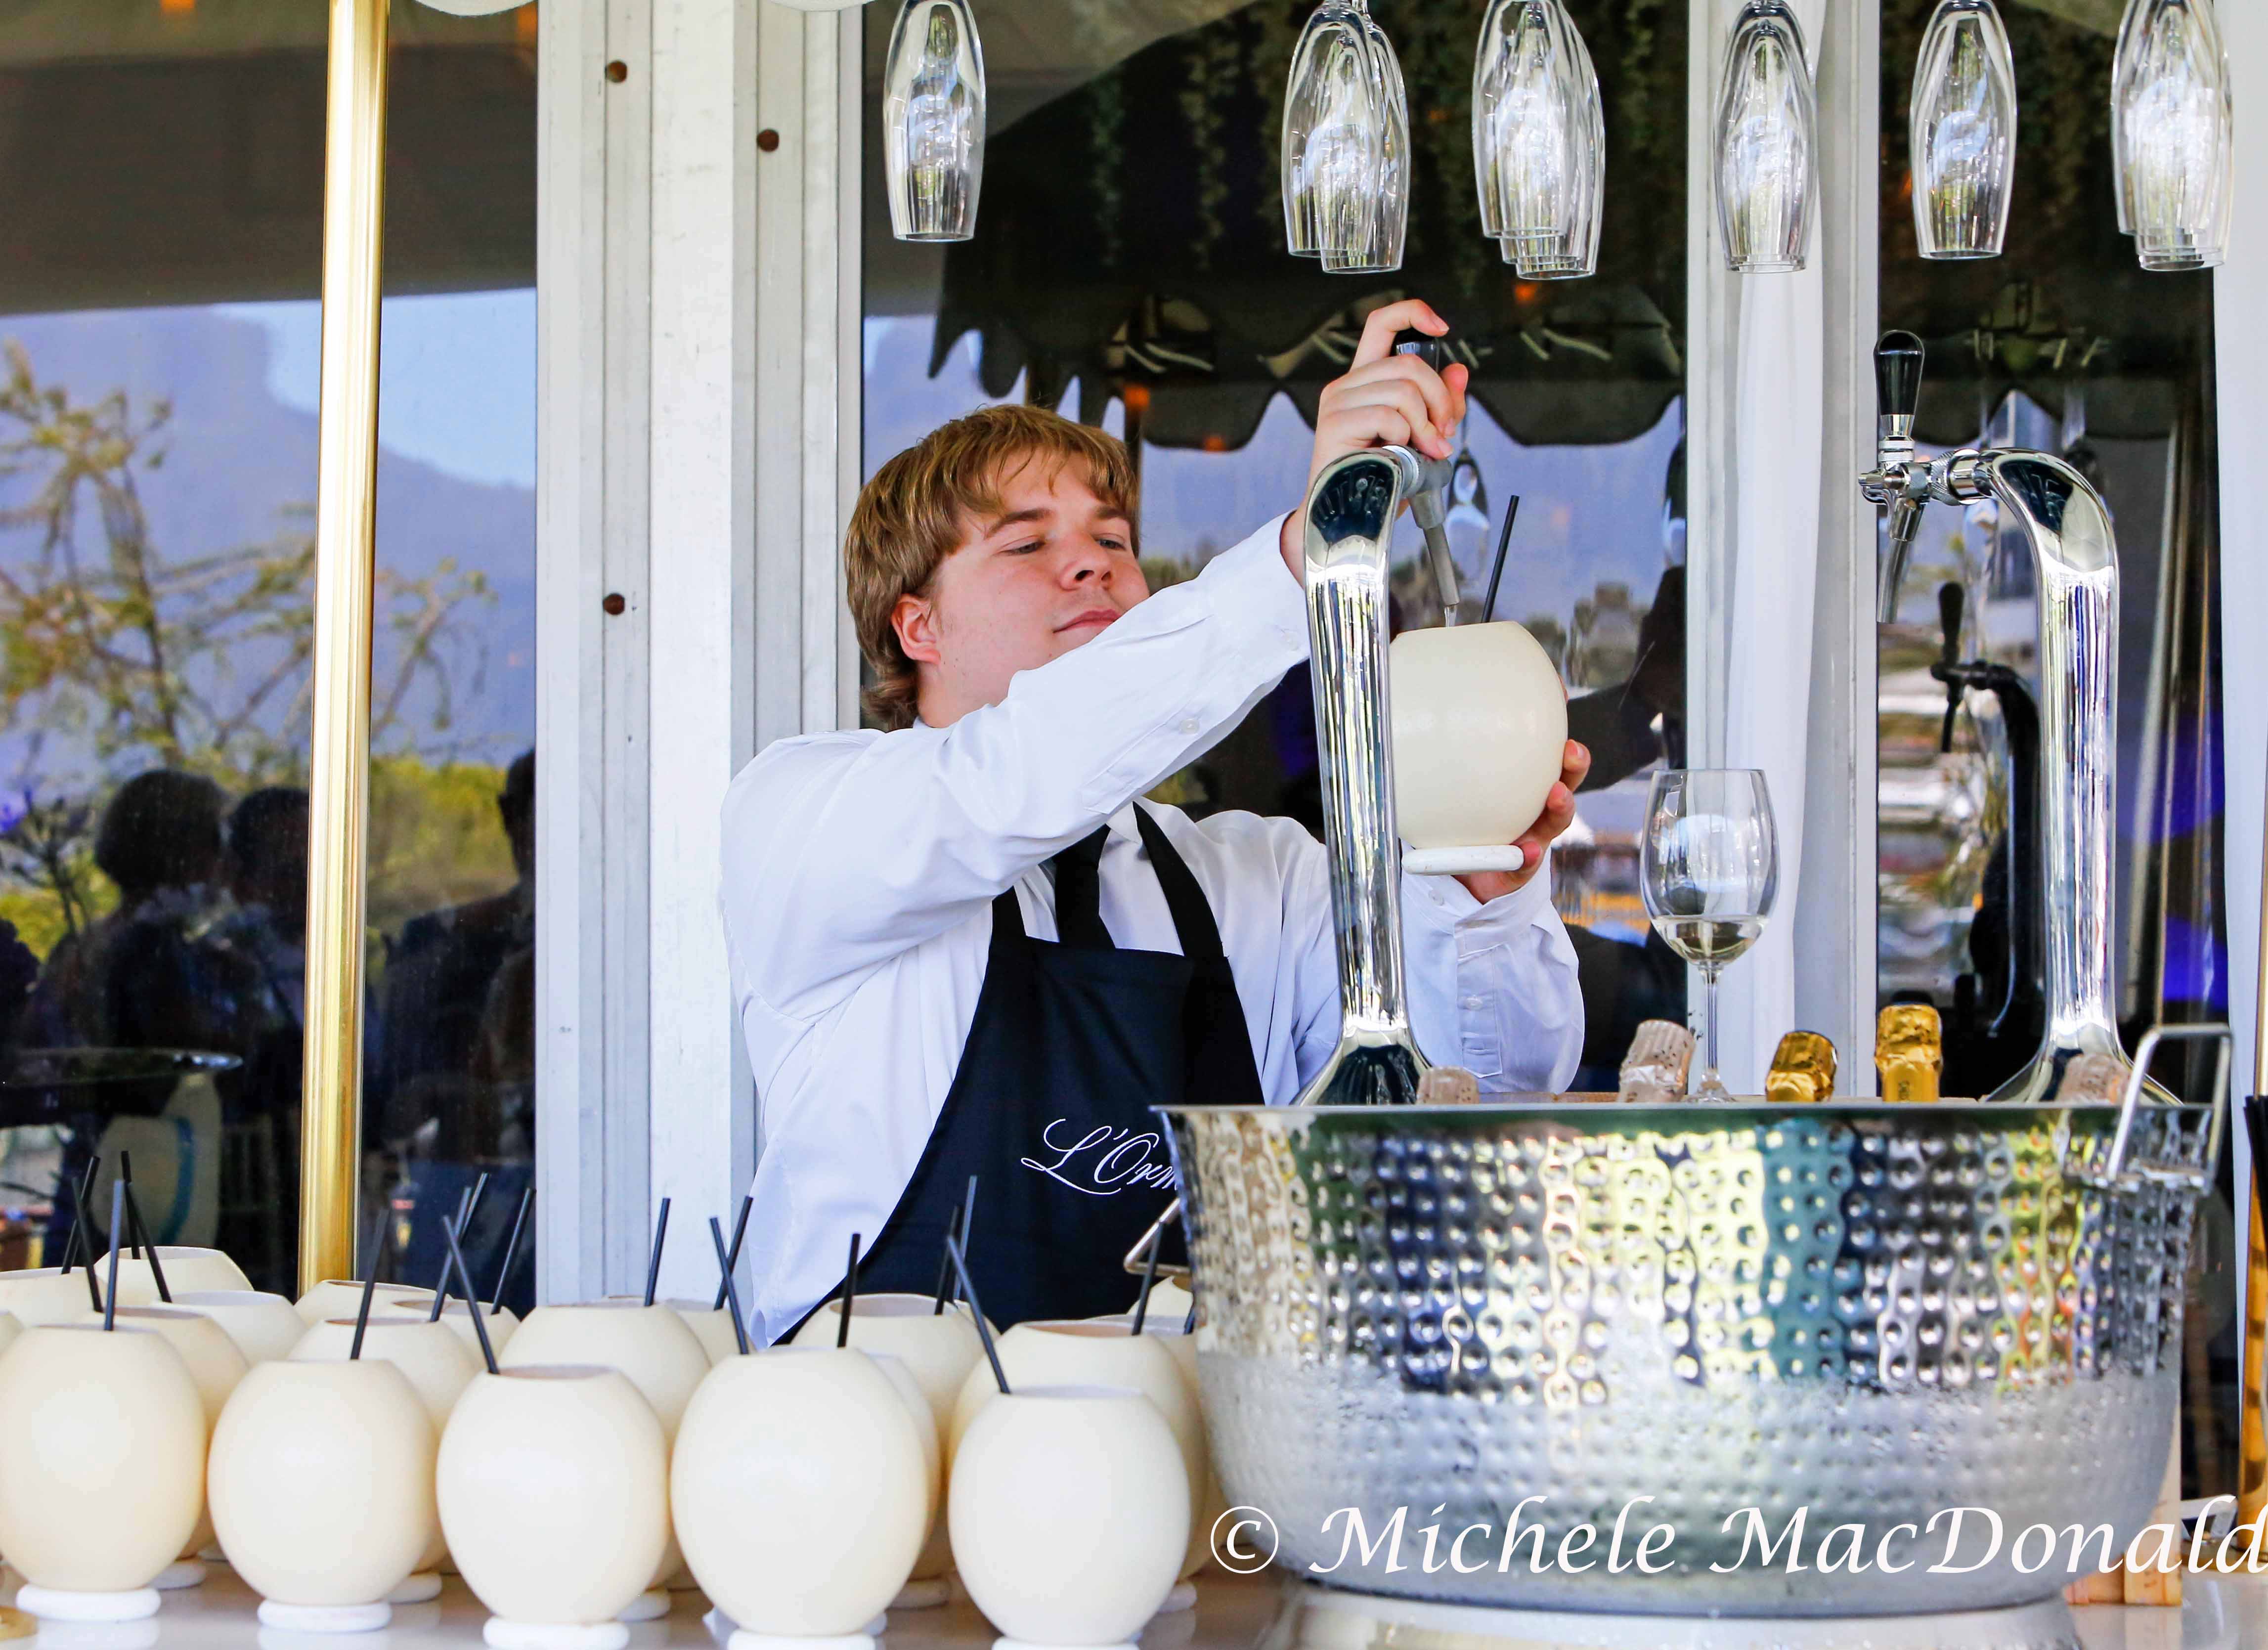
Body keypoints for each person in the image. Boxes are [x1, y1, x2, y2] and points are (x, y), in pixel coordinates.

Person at [721, 302, 1587, 1337]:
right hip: (883, 1467)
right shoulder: (809, 818)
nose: (1089, 565)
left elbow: (1475, 1093)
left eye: (1113, 541)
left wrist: (1477, 895)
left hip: (1187, 1461)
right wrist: (1308, 548)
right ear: (917, 626)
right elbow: (1022, 773)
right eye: (1025, 543)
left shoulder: (1255, 876)